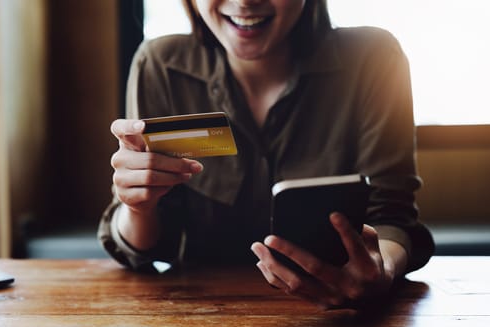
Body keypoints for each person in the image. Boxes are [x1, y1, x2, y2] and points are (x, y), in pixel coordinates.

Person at [98, 0, 435, 309]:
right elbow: (141, 249)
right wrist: (137, 205)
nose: (245, 1)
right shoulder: (159, 65)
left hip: (336, 322)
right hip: (200, 318)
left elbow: (392, 216)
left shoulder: (373, 59)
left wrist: (381, 271)